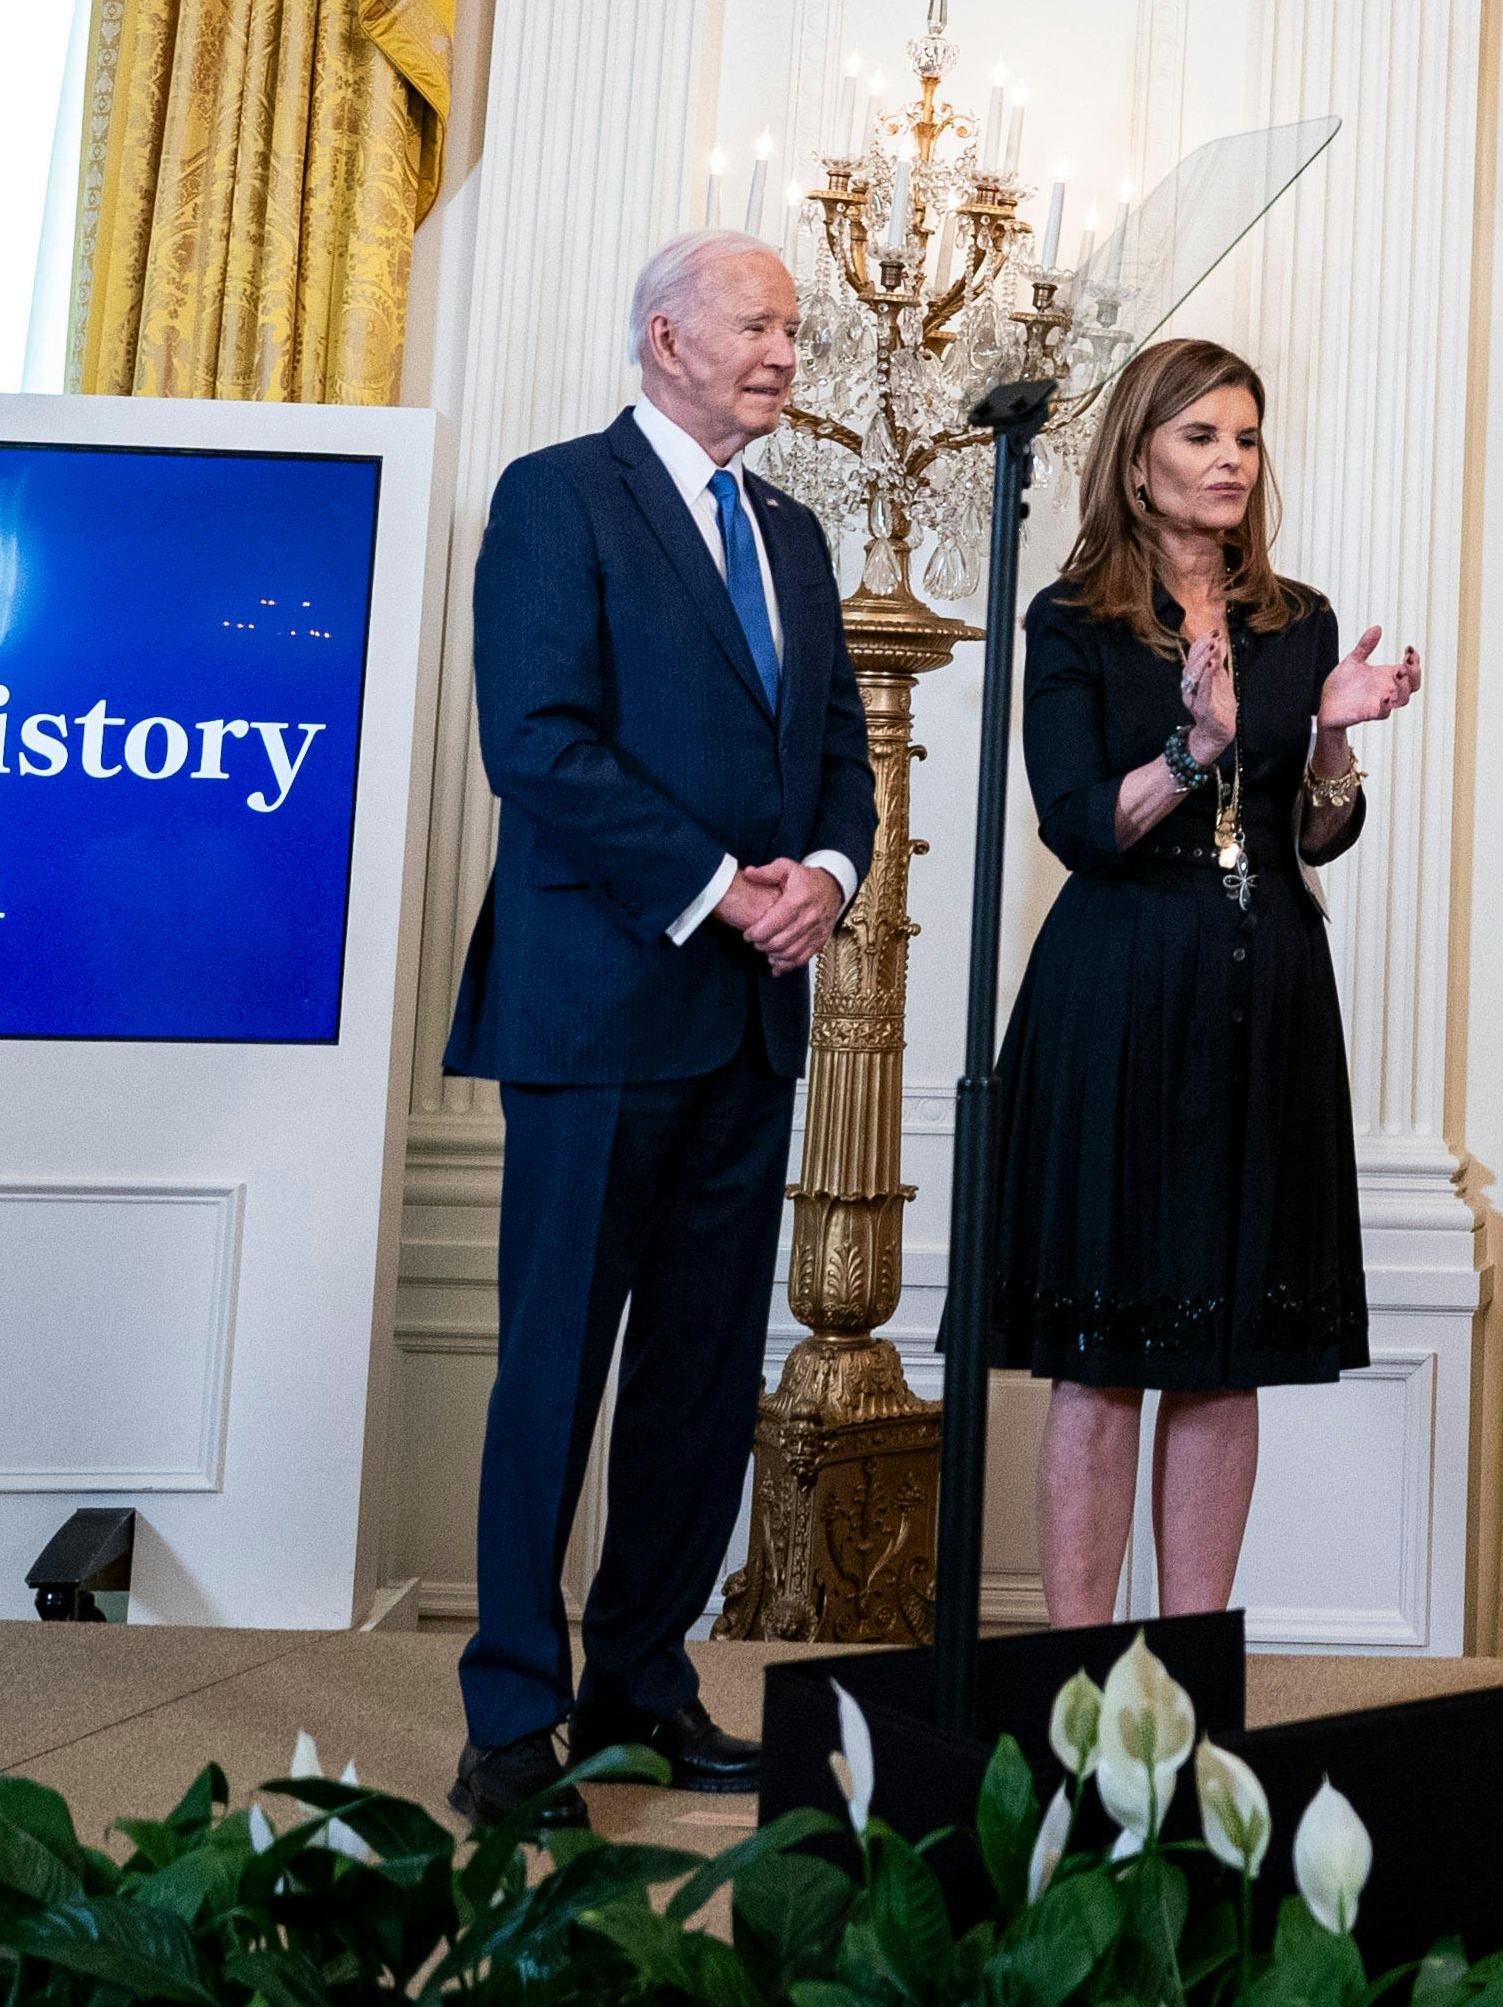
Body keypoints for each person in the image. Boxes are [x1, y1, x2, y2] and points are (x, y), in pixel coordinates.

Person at [447, 228, 879, 1826]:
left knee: (700, 1380)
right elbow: (538, 745)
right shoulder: (557, 496)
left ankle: (642, 1685)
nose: (783, 348)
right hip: (598, 1006)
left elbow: (841, 751)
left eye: (793, 328)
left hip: (753, 1019)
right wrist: (717, 886)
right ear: (662, 336)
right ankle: (511, 1718)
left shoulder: (798, 531)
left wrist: (825, 874)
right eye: (755, 323)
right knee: (553, 1374)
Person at [977, 337, 1423, 1619]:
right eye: (1199, 437)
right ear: (1137, 455)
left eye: (1245, 438)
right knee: (1103, 1356)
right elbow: (1076, 823)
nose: (1229, 461)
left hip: (1264, 988)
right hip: (1120, 991)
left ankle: (1187, 1677)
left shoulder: (1301, 618)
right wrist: (1197, 745)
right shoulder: (1069, 618)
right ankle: (1076, 1677)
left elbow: (1311, 831)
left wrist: (1332, 733)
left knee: (1226, 1356)